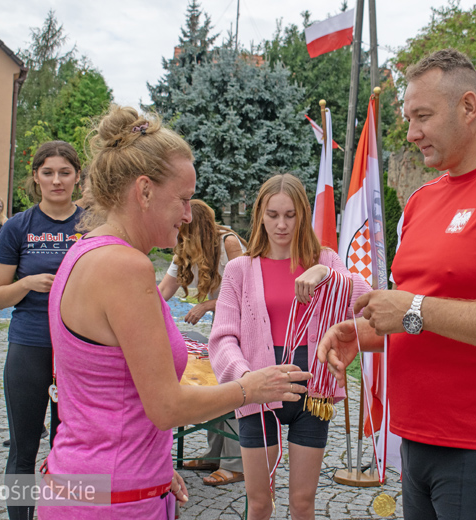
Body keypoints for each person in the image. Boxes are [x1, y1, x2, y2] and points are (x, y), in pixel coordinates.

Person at [317, 48, 476, 520]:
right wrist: (367, 335)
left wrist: (414, 308)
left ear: (469, 107)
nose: (412, 132)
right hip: (415, 437)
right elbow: (416, 314)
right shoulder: (420, 201)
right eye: (408, 117)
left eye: (423, 116)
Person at [39, 106, 308, 519]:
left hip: (96, 483)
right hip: (115, 500)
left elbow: (109, 394)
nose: (188, 214)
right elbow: (166, 407)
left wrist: (156, 466)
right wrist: (252, 389)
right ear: (144, 191)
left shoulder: (85, 251)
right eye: (183, 199)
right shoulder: (124, 266)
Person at [208, 173, 371, 520]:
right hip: (258, 389)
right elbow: (222, 338)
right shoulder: (239, 269)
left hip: (313, 390)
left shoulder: (325, 261)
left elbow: (365, 298)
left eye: (290, 215)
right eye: (273, 214)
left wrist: (325, 276)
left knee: (302, 503)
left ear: (303, 215)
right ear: (259, 216)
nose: (281, 224)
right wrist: (246, 378)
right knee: (259, 504)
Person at [0, 140, 84, 520]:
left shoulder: (93, 225)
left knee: (76, 449)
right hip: (29, 344)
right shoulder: (18, 226)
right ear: (36, 177)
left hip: (81, 349)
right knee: (23, 449)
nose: (57, 180)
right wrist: (28, 284)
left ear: (78, 177)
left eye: (65, 172)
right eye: (48, 172)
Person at [158, 199, 248, 486]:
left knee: (234, 388)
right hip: (223, 327)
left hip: (246, 329)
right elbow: (163, 291)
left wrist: (208, 304)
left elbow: (248, 293)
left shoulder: (229, 244)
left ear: (198, 230)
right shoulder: (184, 247)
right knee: (216, 382)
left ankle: (237, 465)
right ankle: (214, 454)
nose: (179, 236)